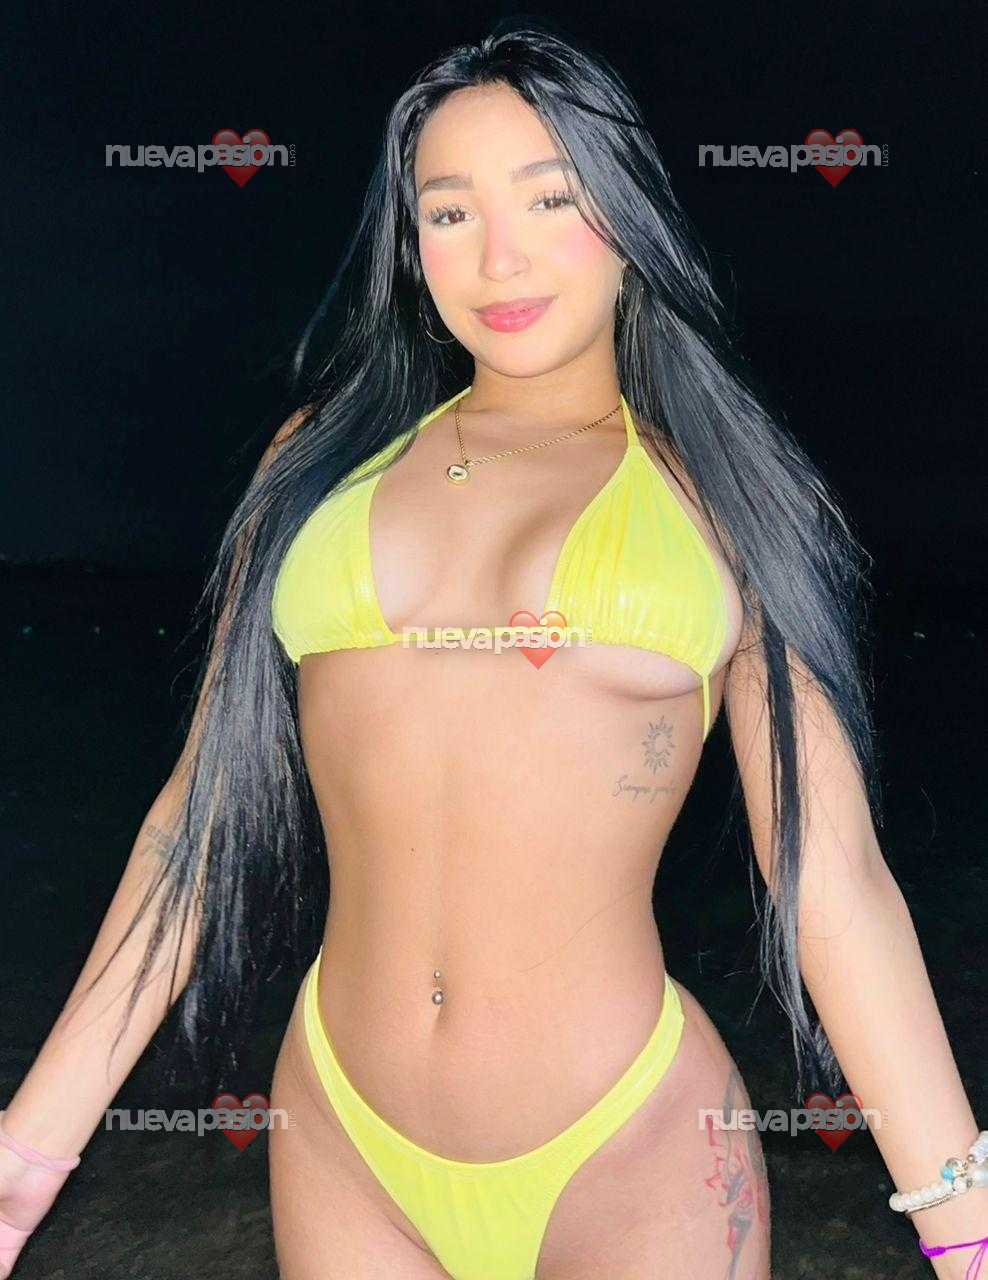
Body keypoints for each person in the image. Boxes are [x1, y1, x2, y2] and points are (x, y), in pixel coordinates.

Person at [2, 23, 985, 1280]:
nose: (498, 256)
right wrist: (24, 1156)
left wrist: (963, 1222)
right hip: (344, 1137)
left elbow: (830, 876)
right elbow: (194, 828)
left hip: (630, 1151)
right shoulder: (316, 465)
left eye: (549, 197)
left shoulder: (724, 493)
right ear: (410, 245)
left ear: (627, 215)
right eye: (449, 211)